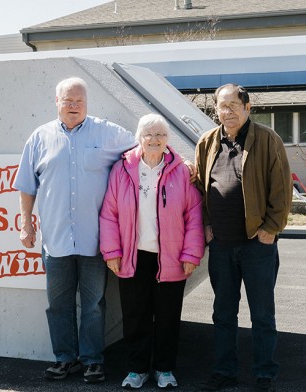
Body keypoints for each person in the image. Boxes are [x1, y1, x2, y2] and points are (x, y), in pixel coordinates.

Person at [13, 76, 136, 384]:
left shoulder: (107, 133)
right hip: (54, 241)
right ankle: (64, 359)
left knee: (94, 304)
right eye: (68, 101)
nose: (74, 106)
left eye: (79, 101)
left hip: (96, 242)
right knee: (59, 305)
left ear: (87, 104)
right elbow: (27, 187)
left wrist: (177, 162)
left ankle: (93, 360)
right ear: (56, 102)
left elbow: (144, 146)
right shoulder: (39, 138)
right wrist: (26, 224)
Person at [195, 84, 292, 392]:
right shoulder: (207, 141)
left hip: (256, 243)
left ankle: (264, 373)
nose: (228, 111)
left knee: (262, 313)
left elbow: (281, 188)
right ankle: (225, 372)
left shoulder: (266, 139)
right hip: (221, 244)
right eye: (222, 107)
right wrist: (207, 225)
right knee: (223, 313)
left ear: (248, 107)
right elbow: (199, 187)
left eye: (234, 105)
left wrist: (271, 228)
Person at [100, 113, 205, 389]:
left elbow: (193, 215)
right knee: (135, 315)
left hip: (169, 256)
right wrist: (111, 251)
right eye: (149, 134)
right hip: (133, 255)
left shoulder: (181, 170)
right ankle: (137, 369)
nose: (155, 140)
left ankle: (164, 369)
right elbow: (109, 213)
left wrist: (191, 254)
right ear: (139, 138)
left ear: (167, 139)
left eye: (160, 135)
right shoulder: (122, 169)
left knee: (168, 315)